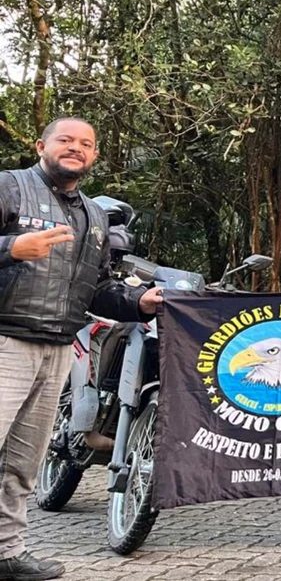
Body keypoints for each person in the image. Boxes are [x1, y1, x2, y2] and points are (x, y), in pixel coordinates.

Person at [0, 118, 162, 581]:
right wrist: (12, 247)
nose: (76, 149)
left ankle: (6, 552)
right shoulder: (8, 189)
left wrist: (140, 302)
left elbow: (98, 290)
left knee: (21, 462)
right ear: (41, 146)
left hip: (55, 347)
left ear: (93, 156)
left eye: (86, 144)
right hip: (6, 339)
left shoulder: (92, 215)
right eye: (66, 140)